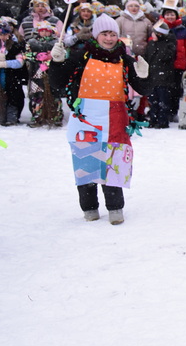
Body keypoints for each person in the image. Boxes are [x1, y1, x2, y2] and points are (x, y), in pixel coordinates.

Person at [48, 14, 150, 224]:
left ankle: (115, 207)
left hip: (115, 118)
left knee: (113, 163)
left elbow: (142, 88)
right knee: (86, 162)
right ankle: (89, 207)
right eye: (105, 34)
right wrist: (57, 63)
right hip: (86, 118)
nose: (109, 38)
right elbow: (58, 83)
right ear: (96, 35)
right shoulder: (81, 55)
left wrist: (144, 75)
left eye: (113, 34)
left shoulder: (125, 58)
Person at [0, 22, 28, 126]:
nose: (3, 37)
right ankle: (0, 114)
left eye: (5, 34)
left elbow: (19, 62)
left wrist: (5, 63)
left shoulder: (16, 46)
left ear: (9, 34)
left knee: (13, 96)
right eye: (0, 34)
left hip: (12, 76)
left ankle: (12, 116)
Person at [24, 20, 63, 127]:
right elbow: (26, 55)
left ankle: (56, 115)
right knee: (37, 95)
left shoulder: (56, 42)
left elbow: (62, 54)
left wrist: (51, 57)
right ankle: (37, 116)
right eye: (42, 31)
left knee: (54, 94)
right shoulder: (32, 42)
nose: (45, 33)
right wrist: (37, 57)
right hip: (36, 73)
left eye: (47, 31)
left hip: (52, 72)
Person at [143, 22, 178, 129]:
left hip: (164, 77)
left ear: (159, 34)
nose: (152, 35)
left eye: (154, 33)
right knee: (153, 100)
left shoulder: (169, 44)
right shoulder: (151, 44)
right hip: (152, 75)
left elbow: (166, 57)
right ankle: (153, 119)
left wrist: (162, 43)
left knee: (163, 100)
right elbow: (147, 57)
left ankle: (162, 121)